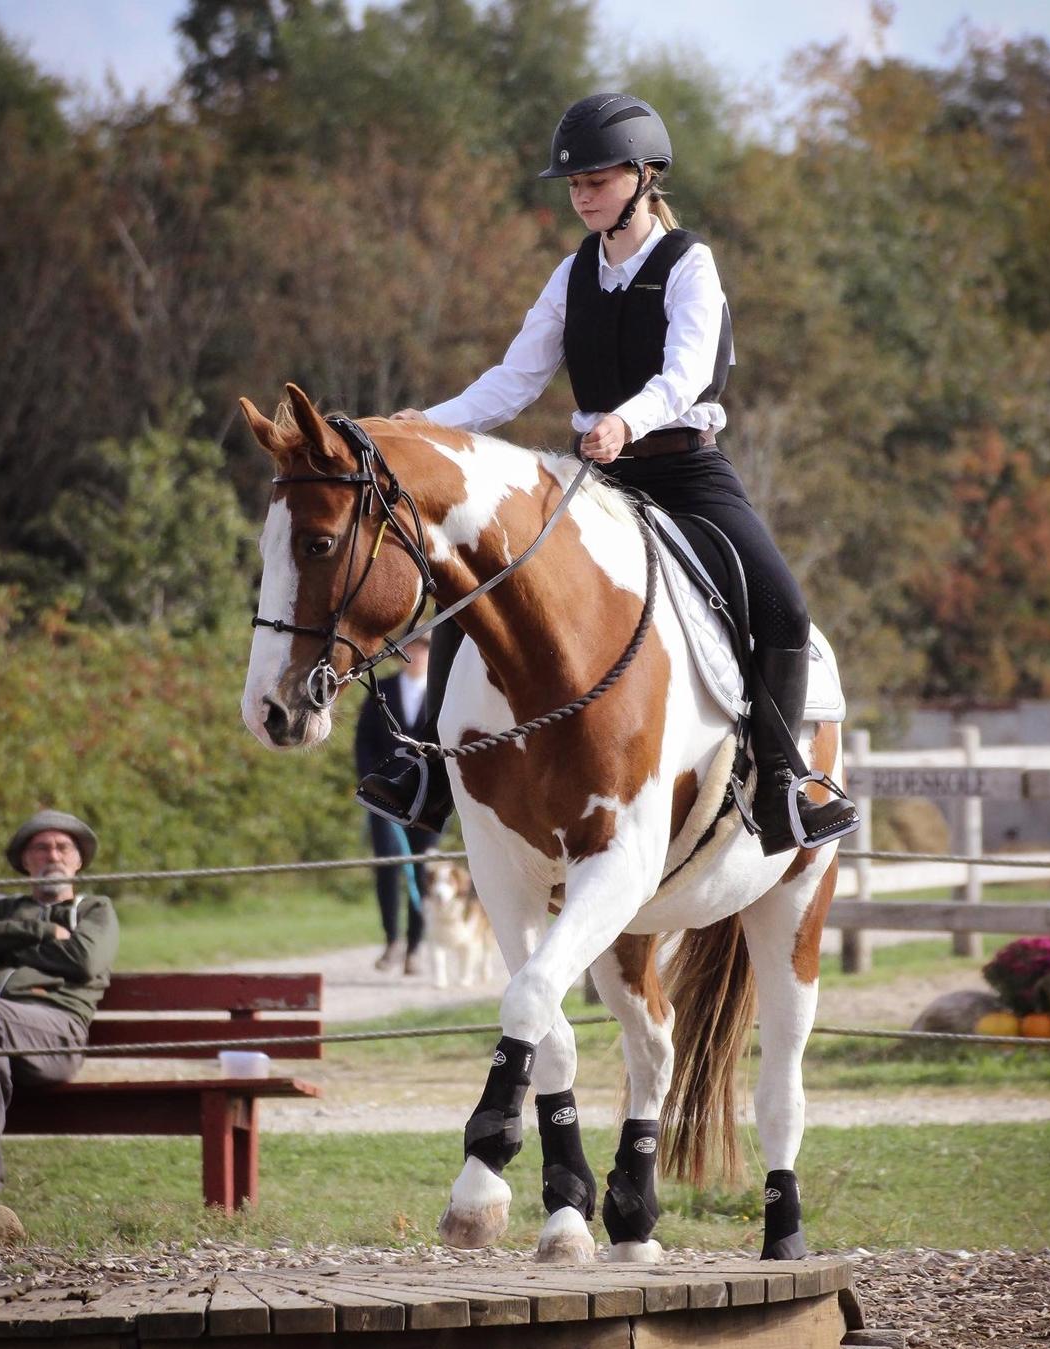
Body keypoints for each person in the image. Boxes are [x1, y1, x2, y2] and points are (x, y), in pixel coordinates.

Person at [358, 91, 857, 856]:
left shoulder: (691, 264)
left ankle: (786, 781)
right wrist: (421, 425)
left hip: (685, 471)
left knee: (783, 608)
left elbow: (688, 371)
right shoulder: (571, 275)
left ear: (645, 176)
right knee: (478, 585)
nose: (583, 196)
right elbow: (513, 381)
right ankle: (427, 771)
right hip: (600, 481)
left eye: (596, 180)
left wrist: (628, 419)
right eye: (574, 185)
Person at [0, 811, 118, 1208]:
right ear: (25, 860)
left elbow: (83, 961)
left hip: (56, 1036)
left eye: (62, 847)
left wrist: (4, 951)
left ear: (78, 860)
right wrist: (42, 933)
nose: (51, 855)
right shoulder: (1, 907)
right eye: (40, 848)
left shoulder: (94, 909)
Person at [353, 636, 440, 974]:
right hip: (384, 798)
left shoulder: (440, 692)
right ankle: (392, 941)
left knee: (421, 870)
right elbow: (364, 743)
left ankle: (415, 948)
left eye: (424, 649)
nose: (417, 655)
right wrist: (373, 784)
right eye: (412, 649)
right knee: (388, 867)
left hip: (427, 799)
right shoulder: (382, 691)